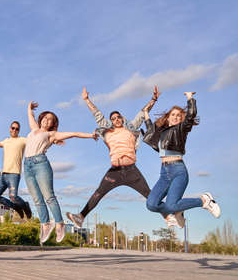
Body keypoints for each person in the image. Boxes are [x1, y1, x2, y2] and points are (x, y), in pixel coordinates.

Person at [66, 86, 171, 228]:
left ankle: (168, 214)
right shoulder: (108, 132)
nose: (116, 119)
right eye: (113, 118)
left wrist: (153, 99)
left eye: (118, 117)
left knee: (149, 194)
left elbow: (142, 114)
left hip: (132, 171)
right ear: (111, 121)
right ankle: (81, 217)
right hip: (115, 171)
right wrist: (86, 100)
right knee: (99, 192)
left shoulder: (131, 129)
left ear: (122, 118)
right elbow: (97, 114)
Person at [143, 91, 221, 226]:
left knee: (172, 205)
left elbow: (190, 116)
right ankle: (176, 211)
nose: (175, 117)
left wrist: (190, 98)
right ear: (167, 118)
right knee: (151, 204)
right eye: (173, 114)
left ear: (181, 119)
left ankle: (204, 200)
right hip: (164, 173)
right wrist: (145, 113)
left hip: (178, 170)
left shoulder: (181, 129)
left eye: (178, 116)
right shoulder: (161, 133)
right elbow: (151, 130)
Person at [25, 101, 95, 244]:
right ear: (41, 118)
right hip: (26, 165)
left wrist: (90, 135)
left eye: (50, 119)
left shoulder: (52, 134)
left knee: (49, 196)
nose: (46, 120)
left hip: (40, 164)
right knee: (37, 199)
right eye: (45, 117)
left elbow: (74, 134)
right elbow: (30, 116)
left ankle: (59, 223)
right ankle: (45, 224)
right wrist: (29, 107)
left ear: (52, 124)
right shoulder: (33, 129)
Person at [0, 121, 32, 219]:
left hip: (14, 174)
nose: (15, 130)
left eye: (17, 129)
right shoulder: (6, 141)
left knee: (13, 197)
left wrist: (52, 140)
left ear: (19, 130)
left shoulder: (23, 140)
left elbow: (35, 141)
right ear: (10, 128)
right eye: (13, 128)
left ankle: (25, 206)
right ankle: (16, 207)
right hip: (3, 175)